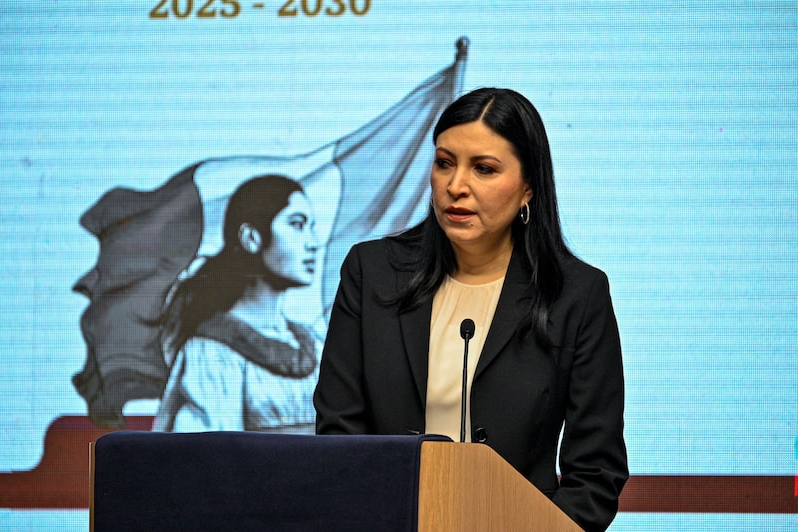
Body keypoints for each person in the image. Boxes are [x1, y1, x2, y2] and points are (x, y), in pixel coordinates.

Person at [314, 88, 628, 530]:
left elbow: (595, 474)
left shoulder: (576, 294)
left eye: (483, 169)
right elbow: (338, 438)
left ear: (528, 188)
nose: (455, 186)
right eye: (444, 163)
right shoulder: (372, 272)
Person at [154, 174, 321, 434]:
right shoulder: (212, 352)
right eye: (297, 225)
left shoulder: (316, 344)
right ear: (251, 238)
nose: (313, 243)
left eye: (312, 227)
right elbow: (209, 459)